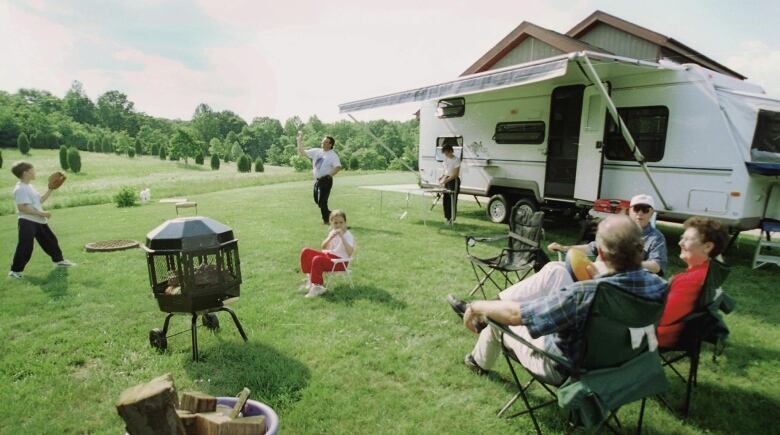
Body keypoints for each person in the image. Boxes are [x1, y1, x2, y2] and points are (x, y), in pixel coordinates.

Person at [450, 215, 667, 384]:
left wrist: (478, 306)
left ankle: (477, 361)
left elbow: (517, 315)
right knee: (556, 270)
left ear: (600, 251)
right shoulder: (659, 287)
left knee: (498, 318)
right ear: (640, 249)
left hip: (565, 366)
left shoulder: (587, 294)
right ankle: (486, 316)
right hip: (621, 363)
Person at [548, 193, 668, 275]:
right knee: (554, 267)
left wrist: (625, 263)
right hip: (601, 273)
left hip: (625, 279)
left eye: (645, 210)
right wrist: (564, 248)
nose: (640, 213)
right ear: (630, 211)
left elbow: (657, 266)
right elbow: (593, 247)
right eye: (637, 209)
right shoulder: (619, 229)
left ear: (652, 213)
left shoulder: (656, 238)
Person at [657, 216, 729, 348]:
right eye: (681, 238)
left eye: (687, 239)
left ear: (707, 246)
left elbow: (662, 318)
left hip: (660, 336)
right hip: (678, 333)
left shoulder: (691, 281)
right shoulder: (710, 273)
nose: (680, 243)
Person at [9, 161, 75, 279]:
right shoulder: (20, 189)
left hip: (38, 220)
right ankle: (15, 272)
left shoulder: (29, 187)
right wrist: (41, 213)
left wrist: (50, 189)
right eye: (33, 170)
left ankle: (59, 261)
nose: (35, 172)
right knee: (25, 246)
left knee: (51, 241)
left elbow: (39, 201)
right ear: (26, 173)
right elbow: (22, 207)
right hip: (27, 221)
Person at [299, 209, 355, 298]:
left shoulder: (348, 235)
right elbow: (323, 247)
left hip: (340, 262)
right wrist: (330, 238)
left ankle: (318, 286)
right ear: (331, 223)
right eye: (335, 223)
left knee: (317, 260)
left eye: (341, 222)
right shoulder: (332, 232)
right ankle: (310, 279)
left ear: (345, 222)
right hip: (329, 257)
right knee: (306, 252)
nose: (338, 225)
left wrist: (342, 237)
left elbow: (350, 253)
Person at [298, 131, 342, 224]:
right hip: (317, 181)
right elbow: (302, 152)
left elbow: (338, 167)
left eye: (325, 142)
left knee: (322, 202)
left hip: (326, 181)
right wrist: (299, 140)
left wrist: (328, 176)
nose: (323, 143)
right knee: (318, 201)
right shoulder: (316, 151)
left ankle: (327, 220)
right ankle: (335, 216)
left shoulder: (333, 155)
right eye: (322, 141)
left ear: (330, 144)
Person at [437, 143, 460, 224]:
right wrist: (441, 177)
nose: (446, 154)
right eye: (445, 153)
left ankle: (451, 219)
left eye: (447, 153)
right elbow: (445, 171)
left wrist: (446, 180)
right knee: (445, 200)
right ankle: (447, 218)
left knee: (452, 200)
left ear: (451, 151)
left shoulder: (456, 160)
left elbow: (455, 174)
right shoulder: (446, 159)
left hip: (454, 181)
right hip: (447, 179)